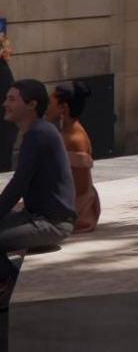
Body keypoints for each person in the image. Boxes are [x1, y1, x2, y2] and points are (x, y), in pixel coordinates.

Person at [0, 80, 76, 300]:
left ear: (31, 104)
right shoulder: (38, 132)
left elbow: (18, 185)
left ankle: (9, 285)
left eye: (12, 99)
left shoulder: (38, 135)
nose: (5, 103)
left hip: (52, 224)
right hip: (37, 216)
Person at [46, 83, 100, 234]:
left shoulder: (75, 139)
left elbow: (81, 190)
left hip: (77, 214)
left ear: (63, 108)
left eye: (50, 103)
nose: (46, 107)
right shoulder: (65, 133)